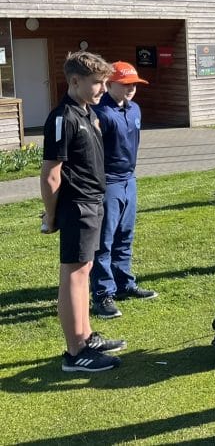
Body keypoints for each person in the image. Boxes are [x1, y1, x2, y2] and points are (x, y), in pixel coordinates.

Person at [42, 51, 126, 372]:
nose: (103, 88)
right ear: (74, 81)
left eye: (105, 82)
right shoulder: (63, 118)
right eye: (97, 82)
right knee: (74, 277)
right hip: (77, 206)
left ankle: (86, 336)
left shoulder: (87, 113)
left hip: (93, 203)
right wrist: (51, 216)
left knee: (85, 272)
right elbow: (51, 173)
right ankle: (75, 352)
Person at [90, 61, 157, 320]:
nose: (131, 89)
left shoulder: (135, 109)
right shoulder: (100, 113)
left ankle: (124, 283)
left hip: (129, 179)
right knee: (104, 240)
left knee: (125, 235)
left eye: (134, 85)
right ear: (110, 84)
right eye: (125, 84)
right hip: (108, 182)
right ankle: (103, 293)